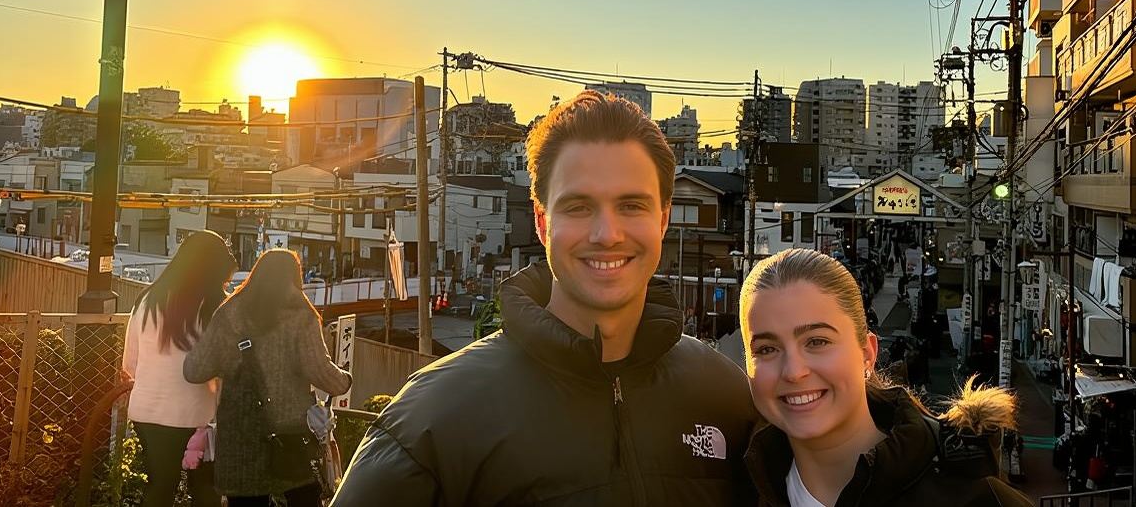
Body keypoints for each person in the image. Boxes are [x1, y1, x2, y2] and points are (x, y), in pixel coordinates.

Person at [333, 91, 757, 504]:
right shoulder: (436, 419)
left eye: (631, 206)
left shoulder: (727, 398)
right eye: (578, 207)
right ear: (541, 221)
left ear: (662, 219)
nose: (607, 234)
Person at [741, 248, 1032, 507]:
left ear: (867, 353)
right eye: (767, 349)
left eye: (817, 341)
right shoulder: (730, 486)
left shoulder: (977, 497)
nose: (793, 371)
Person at [184, 249, 351, 507]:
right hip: (290, 437)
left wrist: (228, 361)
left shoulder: (229, 312)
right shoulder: (300, 315)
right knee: (303, 498)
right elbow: (320, 371)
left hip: (240, 436)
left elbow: (195, 370)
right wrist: (345, 380)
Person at [122, 230, 236, 507]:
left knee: (160, 486)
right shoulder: (217, 306)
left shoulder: (147, 300)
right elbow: (228, 364)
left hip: (147, 411)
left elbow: (129, 364)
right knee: (206, 490)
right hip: (199, 415)